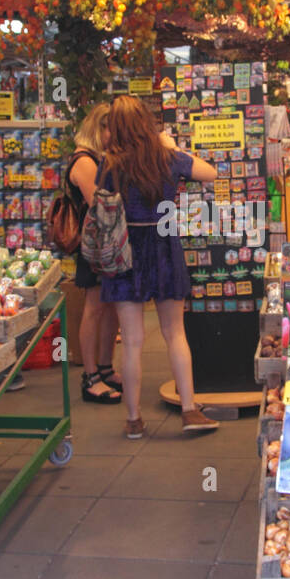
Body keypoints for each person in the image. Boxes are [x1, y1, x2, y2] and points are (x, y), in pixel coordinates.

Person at [98, 95, 220, 439]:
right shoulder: (166, 157)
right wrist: (169, 143)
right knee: (175, 333)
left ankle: (134, 419)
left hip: (125, 251)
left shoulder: (109, 164)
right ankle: (190, 410)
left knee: (133, 342)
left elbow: (101, 201)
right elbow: (209, 173)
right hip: (164, 244)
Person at [67, 104, 123, 404]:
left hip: (106, 243)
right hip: (96, 245)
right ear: (98, 128)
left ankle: (104, 367)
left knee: (109, 306)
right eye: (111, 129)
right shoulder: (85, 161)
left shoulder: (98, 159)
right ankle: (90, 376)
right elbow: (99, 205)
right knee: (94, 307)